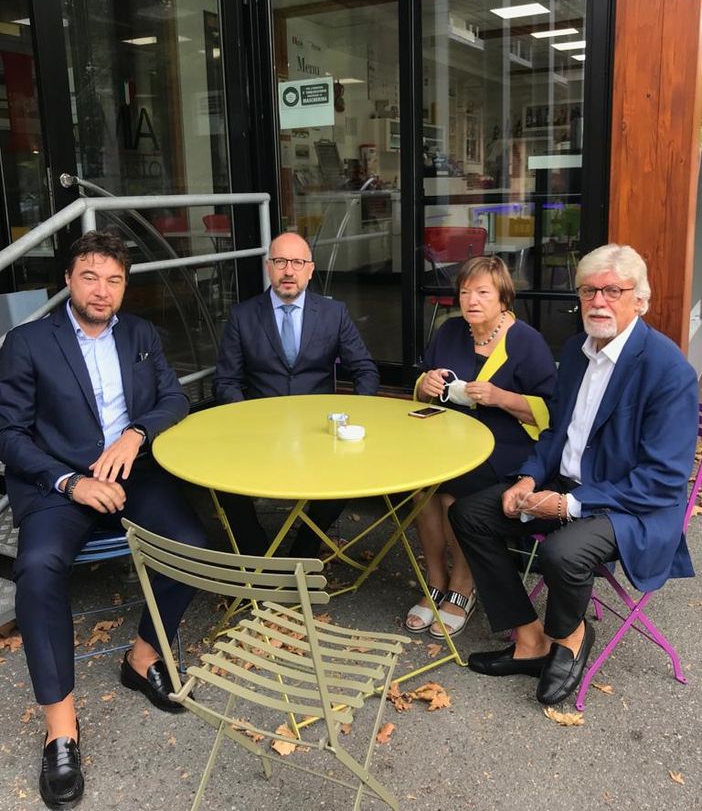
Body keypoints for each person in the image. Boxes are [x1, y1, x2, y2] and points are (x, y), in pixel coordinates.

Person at [0, 231, 207, 810]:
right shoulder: (27, 341)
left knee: (192, 545)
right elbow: (8, 433)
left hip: (132, 473)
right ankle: (61, 730)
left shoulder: (140, 334)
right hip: (59, 484)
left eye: (114, 280)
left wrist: (136, 434)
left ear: (124, 286)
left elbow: (174, 400)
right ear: (68, 279)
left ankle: (142, 658)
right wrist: (71, 481)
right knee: (38, 568)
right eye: (90, 276)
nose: (102, 290)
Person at [449, 244, 698, 706]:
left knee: (562, 552)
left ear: (640, 300)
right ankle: (529, 638)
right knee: (470, 513)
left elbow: (662, 481)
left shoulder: (668, 371)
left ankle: (570, 637)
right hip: (566, 484)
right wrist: (527, 479)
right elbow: (555, 433)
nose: (598, 301)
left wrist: (569, 505)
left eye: (612, 291)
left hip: (631, 507)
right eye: (588, 291)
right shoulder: (576, 351)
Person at [406, 256, 556, 638]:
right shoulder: (450, 330)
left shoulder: (526, 342)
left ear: (503, 298)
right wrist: (425, 384)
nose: (471, 300)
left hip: (507, 443)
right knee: (421, 489)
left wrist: (501, 397)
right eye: (465, 292)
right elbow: (424, 379)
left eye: (483, 292)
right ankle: (435, 581)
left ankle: (462, 587)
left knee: (454, 492)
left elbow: (551, 411)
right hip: (450, 437)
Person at [213, 231, 379, 556]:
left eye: (298, 262)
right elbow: (225, 381)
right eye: (280, 262)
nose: (288, 271)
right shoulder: (243, 316)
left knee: (345, 479)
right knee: (221, 482)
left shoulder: (333, 313)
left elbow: (365, 369)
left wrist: (352, 418)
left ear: (310, 269)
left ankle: (302, 553)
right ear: (268, 267)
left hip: (320, 431)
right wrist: (246, 418)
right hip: (259, 431)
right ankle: (259, 557)